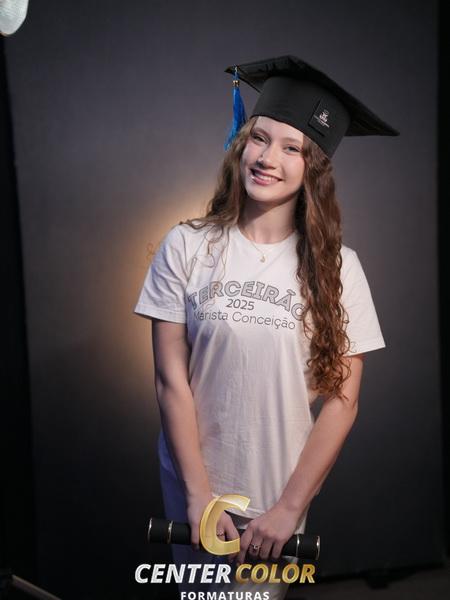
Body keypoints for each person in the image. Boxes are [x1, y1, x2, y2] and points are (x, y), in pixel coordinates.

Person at [134, 55, 398, 598]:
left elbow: (343, 401)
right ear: (242, 144)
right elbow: (169, 381)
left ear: (313, 168)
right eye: (259, 138)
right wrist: (198, 496)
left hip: (277, 493)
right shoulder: (186, 246)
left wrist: (288, 508)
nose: (267, 158)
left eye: (291, 147)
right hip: (195, 485)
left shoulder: (340, 269)